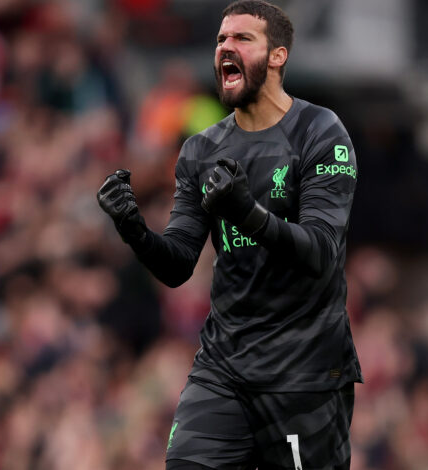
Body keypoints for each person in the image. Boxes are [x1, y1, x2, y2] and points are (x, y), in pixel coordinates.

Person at [97, 1, 362, 468]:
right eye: (221, 39)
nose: (225, 47)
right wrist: (134, 229)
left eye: (242, 38)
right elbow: (178, 263)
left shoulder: (320, 133)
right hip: (225, 367)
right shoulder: (201, 150)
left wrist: (246, 212)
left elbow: (321, 251)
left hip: (304, 373)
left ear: (277, 56)